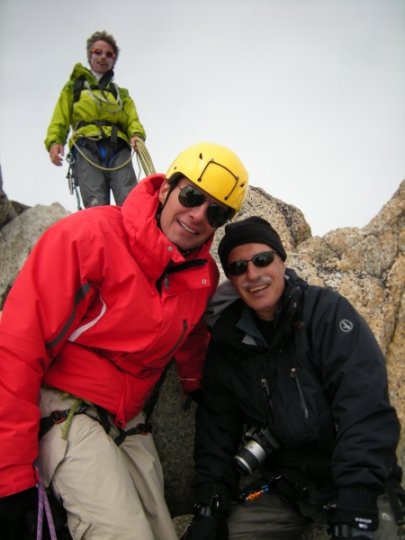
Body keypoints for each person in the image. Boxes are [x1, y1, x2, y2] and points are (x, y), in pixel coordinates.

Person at [0, 142, 249, 540]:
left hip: (127, 416)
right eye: (192, 196)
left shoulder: (201, 276)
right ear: (167, 189)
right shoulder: (89, 238)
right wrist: (9, 479)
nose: (198, 215)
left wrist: (197, 384)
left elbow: (188, 336)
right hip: (65, 403)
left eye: (215, 212)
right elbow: (15, 348)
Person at [183, 216, 404, 540]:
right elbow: (217, 430)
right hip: (289, 490)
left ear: (281, 258)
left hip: (359, 484)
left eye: (262, 260)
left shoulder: (327, 314)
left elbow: (364, 409)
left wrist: (357, 502)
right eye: (239, 267)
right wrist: (209, 507)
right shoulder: (229, 343)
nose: (253, 274)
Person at [44, 30, 146, 208]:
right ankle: (100, 235)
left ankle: (134, 234)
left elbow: (132, 119)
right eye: (97, 52)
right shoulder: (73, 87)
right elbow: (60, 116)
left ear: (114, 60)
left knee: (131, 200)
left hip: (118, 147)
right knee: (95, 203)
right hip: (85, 147)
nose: (102, 57)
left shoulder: (120, 94)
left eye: (109, 54)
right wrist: (55, 141)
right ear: (89, 56)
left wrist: (136, 134)